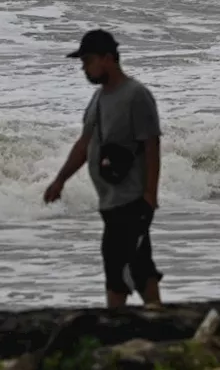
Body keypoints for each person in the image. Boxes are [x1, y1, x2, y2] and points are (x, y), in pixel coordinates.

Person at [44, 29, 164, 308]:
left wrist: (150, 194)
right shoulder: (98, 99)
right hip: (110, 201)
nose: (84, 68)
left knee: (118, 269)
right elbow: (85, 144)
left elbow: (151, 146)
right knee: (138, 266)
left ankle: (117, 330)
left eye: (88, 61)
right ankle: (157, 321)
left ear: (108, 58)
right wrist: (60, 180)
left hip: (132, 200)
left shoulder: (136, 95)